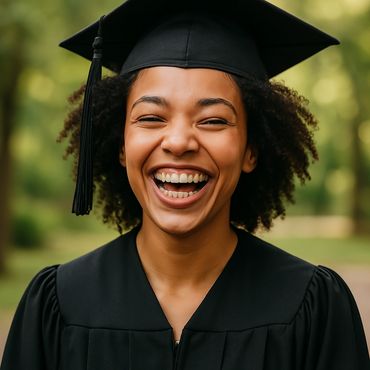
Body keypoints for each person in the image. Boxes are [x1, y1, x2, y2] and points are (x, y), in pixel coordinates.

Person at [1, 0, 369, 369]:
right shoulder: (58, 306)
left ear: (251, 150)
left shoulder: (312, 308)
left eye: (212, 121)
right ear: (121, 146)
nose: (178, 142)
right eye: (150, 117)